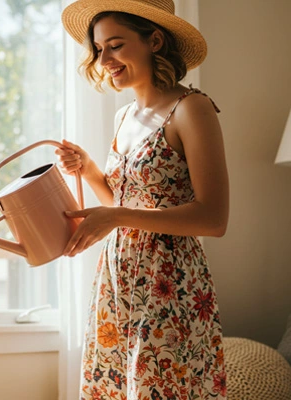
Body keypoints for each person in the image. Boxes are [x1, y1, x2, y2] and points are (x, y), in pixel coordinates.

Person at [58, 0, 229, 399]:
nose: (105, 59)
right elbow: (125, 199)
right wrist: (88, 169)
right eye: (99, 49)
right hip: (116, 280)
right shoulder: (124, 117)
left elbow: (214, 218)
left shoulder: (193, 109)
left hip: (169, 284)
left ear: (153, 40)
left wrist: (115, 215)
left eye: (115, 45)